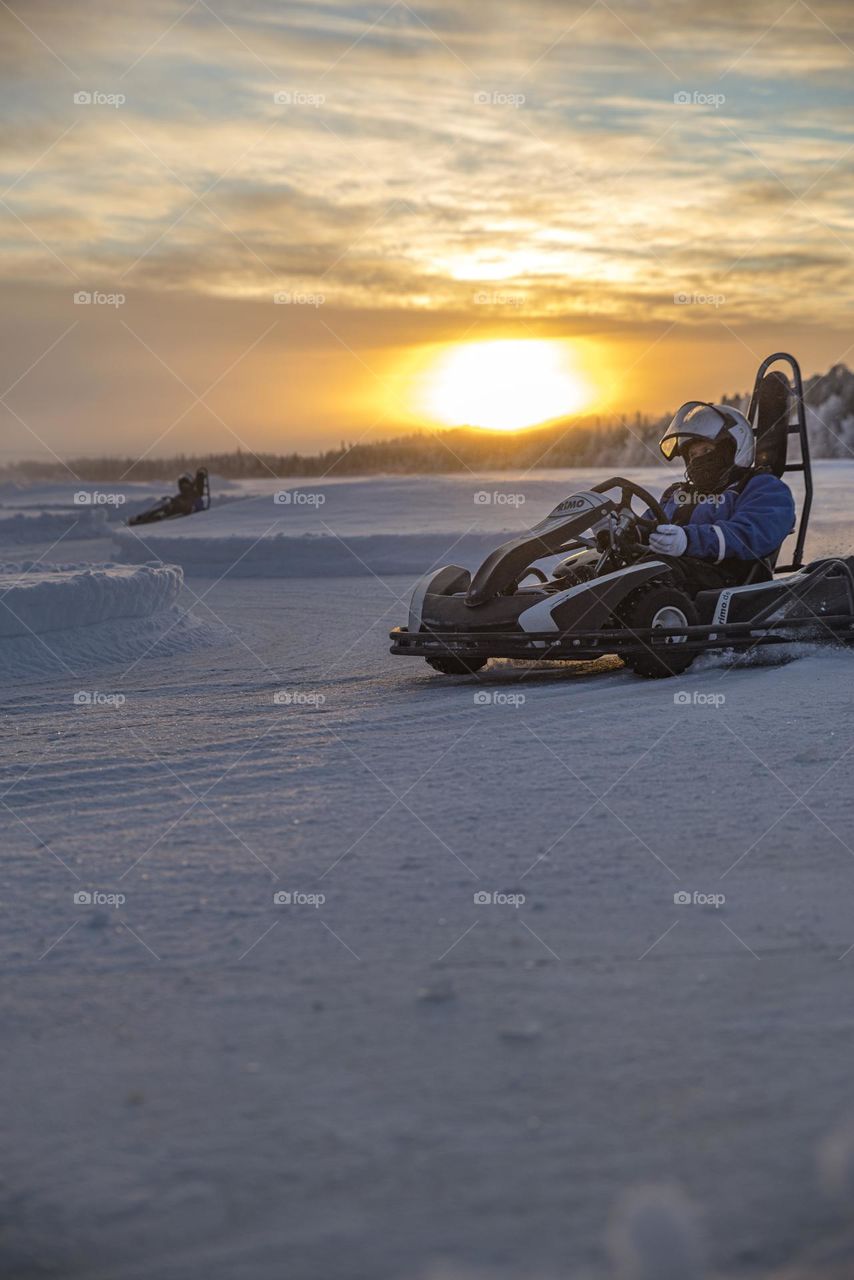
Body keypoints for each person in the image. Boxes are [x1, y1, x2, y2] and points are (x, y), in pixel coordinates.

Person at [644, 401, 795, 590]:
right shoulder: (678, 494)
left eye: (707, 451)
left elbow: (751, 534)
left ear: (732, 450)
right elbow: (647, 524)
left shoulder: (764, 488)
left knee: (655, 572)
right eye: (693, 455)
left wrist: (688, 540)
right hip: (677, 578)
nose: (699, 460)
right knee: (616, 566)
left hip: (728, 581)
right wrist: (616, 529)